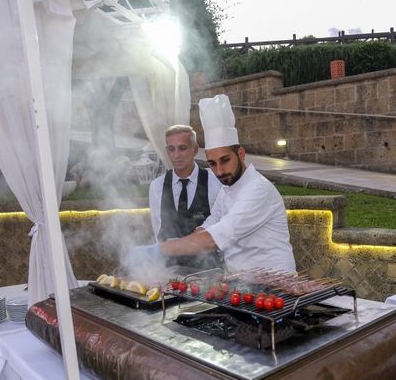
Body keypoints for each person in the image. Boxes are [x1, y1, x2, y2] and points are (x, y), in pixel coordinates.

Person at [125, 95, 296, 274]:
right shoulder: (228, 189)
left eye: (225, 160)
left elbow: (215, 237)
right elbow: (208, 225)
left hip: (275, 284)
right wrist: (175, 245)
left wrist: (159, 250)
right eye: (212, 163)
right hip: (242, 283)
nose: (220, 171)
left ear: (241, 153)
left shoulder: (257, 190)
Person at [148, 124, 222, 269]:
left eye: (182, 148)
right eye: (171, 149)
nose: (176, 155)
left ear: (195, 150)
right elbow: (158, 229)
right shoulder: (157, 186)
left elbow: (222, 229)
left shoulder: (215, 182)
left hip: (208, 269)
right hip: (170, 270)